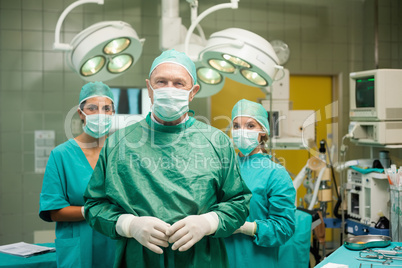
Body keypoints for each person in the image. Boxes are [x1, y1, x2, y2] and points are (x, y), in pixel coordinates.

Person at [83, 49, 251, 267]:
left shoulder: (217, 142)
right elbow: (94, 204)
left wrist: (208, 222)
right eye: (161, 82)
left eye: (179, 83)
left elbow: (238, 202)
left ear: (193, 91)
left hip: (201, 259)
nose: (169, 89)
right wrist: (129, 224)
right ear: (149, 88)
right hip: (139, 259)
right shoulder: (119, 142)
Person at [39, 82, 116, 268]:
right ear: (81, 114)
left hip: (116, 244)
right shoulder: (61, 155)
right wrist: (89, 211)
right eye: (92, 108)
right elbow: (53, 211)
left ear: (112, 113)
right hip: (79, 249)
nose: (100, 113)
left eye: (106, 108)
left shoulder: (120, 152)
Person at [224, 99, 296, 268]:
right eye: (236, 126)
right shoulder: (223, 168)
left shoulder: (275, 174)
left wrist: (246, 227)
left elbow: (285, 228)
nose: (241, 131)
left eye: (250, 126)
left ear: (263, 131)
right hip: (221, 257)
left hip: (255, 260)